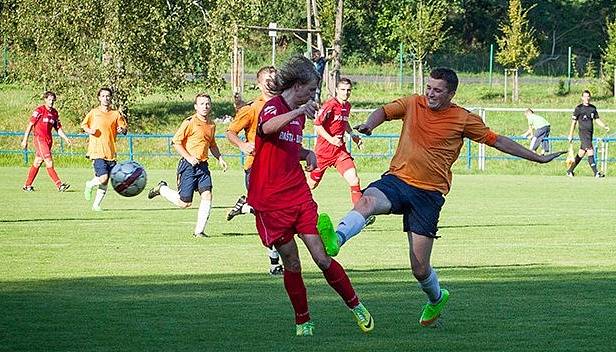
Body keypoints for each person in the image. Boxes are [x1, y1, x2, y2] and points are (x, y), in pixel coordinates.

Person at [318, 68, 564, 328]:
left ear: (451, 94)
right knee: (366, 201)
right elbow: (384, 111)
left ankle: (436, 298)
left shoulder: (463, 119)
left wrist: (536, 157)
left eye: (437, 90)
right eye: (429, 88)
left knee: (420, 269)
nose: (430, 94)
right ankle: (337, 239)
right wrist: (369, 124)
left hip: (429, 194)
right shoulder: (413, 103)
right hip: (398, 180)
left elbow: (498, 141)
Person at [247, 55, 373, 336]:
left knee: (321, 256)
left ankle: (356, 306)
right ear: (297, 85)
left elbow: (289, 147)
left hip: (297, 195)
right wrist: (299, 110)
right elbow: (267, 129)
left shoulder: (297, 114)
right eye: (311, 88)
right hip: (269, 202)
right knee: (292, 262)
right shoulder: (274, 107)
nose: (313, 94)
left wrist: (307, 153)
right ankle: (303, 321)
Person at [225, 66, 284, 276]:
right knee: (271, 217)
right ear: (259, 84)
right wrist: (242, 145)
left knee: (279, 216)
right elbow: (230, 132)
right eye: (267, 80)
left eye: (275, 79)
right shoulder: (251, 108)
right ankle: (275, 263)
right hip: (257, 168)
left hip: (281, 170)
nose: (271, 83)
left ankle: (247, 207)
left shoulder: (285, 106)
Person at [148, 94, 228, 237]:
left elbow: (212, 144)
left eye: (207, 104)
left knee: (207, 194)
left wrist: (220, 158)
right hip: (188, 166)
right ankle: (162, 189)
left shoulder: (211, 124)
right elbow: (176, 142)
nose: (205, 106)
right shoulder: (189, 122)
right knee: (184, 203)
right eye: (202, 104)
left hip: (203, 166)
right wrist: (189, 157)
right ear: (196, 106)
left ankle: (199, 231)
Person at [307, 78, 366, 205]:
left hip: (339, 152)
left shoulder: (347, 106)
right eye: (343, 90)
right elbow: (317, 125)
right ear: (337, 90)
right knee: (311, 186)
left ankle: (360, 214)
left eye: (348, 90)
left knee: (354, 180)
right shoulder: (330, 105)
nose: (346, 93)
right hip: (323, 153)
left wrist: (352, 134)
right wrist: (331, 139)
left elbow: (343, 122)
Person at [81, 88, 128, 211]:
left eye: (108, 96)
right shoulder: (94, 112)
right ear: (99, 98)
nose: (105, 98)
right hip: (96, 151)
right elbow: (84, 125)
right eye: (103, 96)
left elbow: (124, 129)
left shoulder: (116, 114)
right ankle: (89, 184)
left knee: (106, 182)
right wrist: (90, 130)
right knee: (103, 178)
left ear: (111, 98)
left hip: (110, 152)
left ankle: (96, 205)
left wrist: (121, 130)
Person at [20, 91, 71, 192]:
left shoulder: (54, 113)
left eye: (53, 100)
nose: (51, 102)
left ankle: (27, 185)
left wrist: (65, 138)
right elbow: (30, 125)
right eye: (49, 100)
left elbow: (58, 128)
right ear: (45, 100)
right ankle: (59, 185)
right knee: (49, 161)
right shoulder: (39, 110)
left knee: (38, 162)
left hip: (48, 140)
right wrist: (25, 140)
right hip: (40, 139)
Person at [566, 90, 610, 177]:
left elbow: (597, 119)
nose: (587, 98)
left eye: (588, 96)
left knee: (581, 153)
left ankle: (570, 171)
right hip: (583, 133)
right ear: (582, 98)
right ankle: (596, 173)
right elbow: (573, 122)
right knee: (590, 150)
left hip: (590, 134)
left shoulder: (593, 108)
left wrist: (604, 126)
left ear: (590, 97)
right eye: (585, 96)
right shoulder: (578, 108)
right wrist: (570, 134)